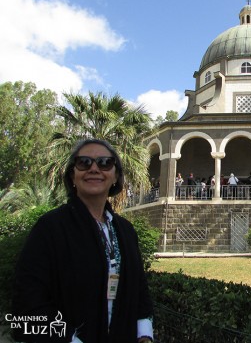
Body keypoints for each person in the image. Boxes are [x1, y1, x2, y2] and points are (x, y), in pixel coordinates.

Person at [12, 139, 154, 343]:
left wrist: (144, 335)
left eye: (105, 163)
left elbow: (140, 289)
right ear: (73, 176)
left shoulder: (125, 230)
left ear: (115, 176)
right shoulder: (50, 227)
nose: (94, 169)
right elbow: (27, 301)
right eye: (84, 162)